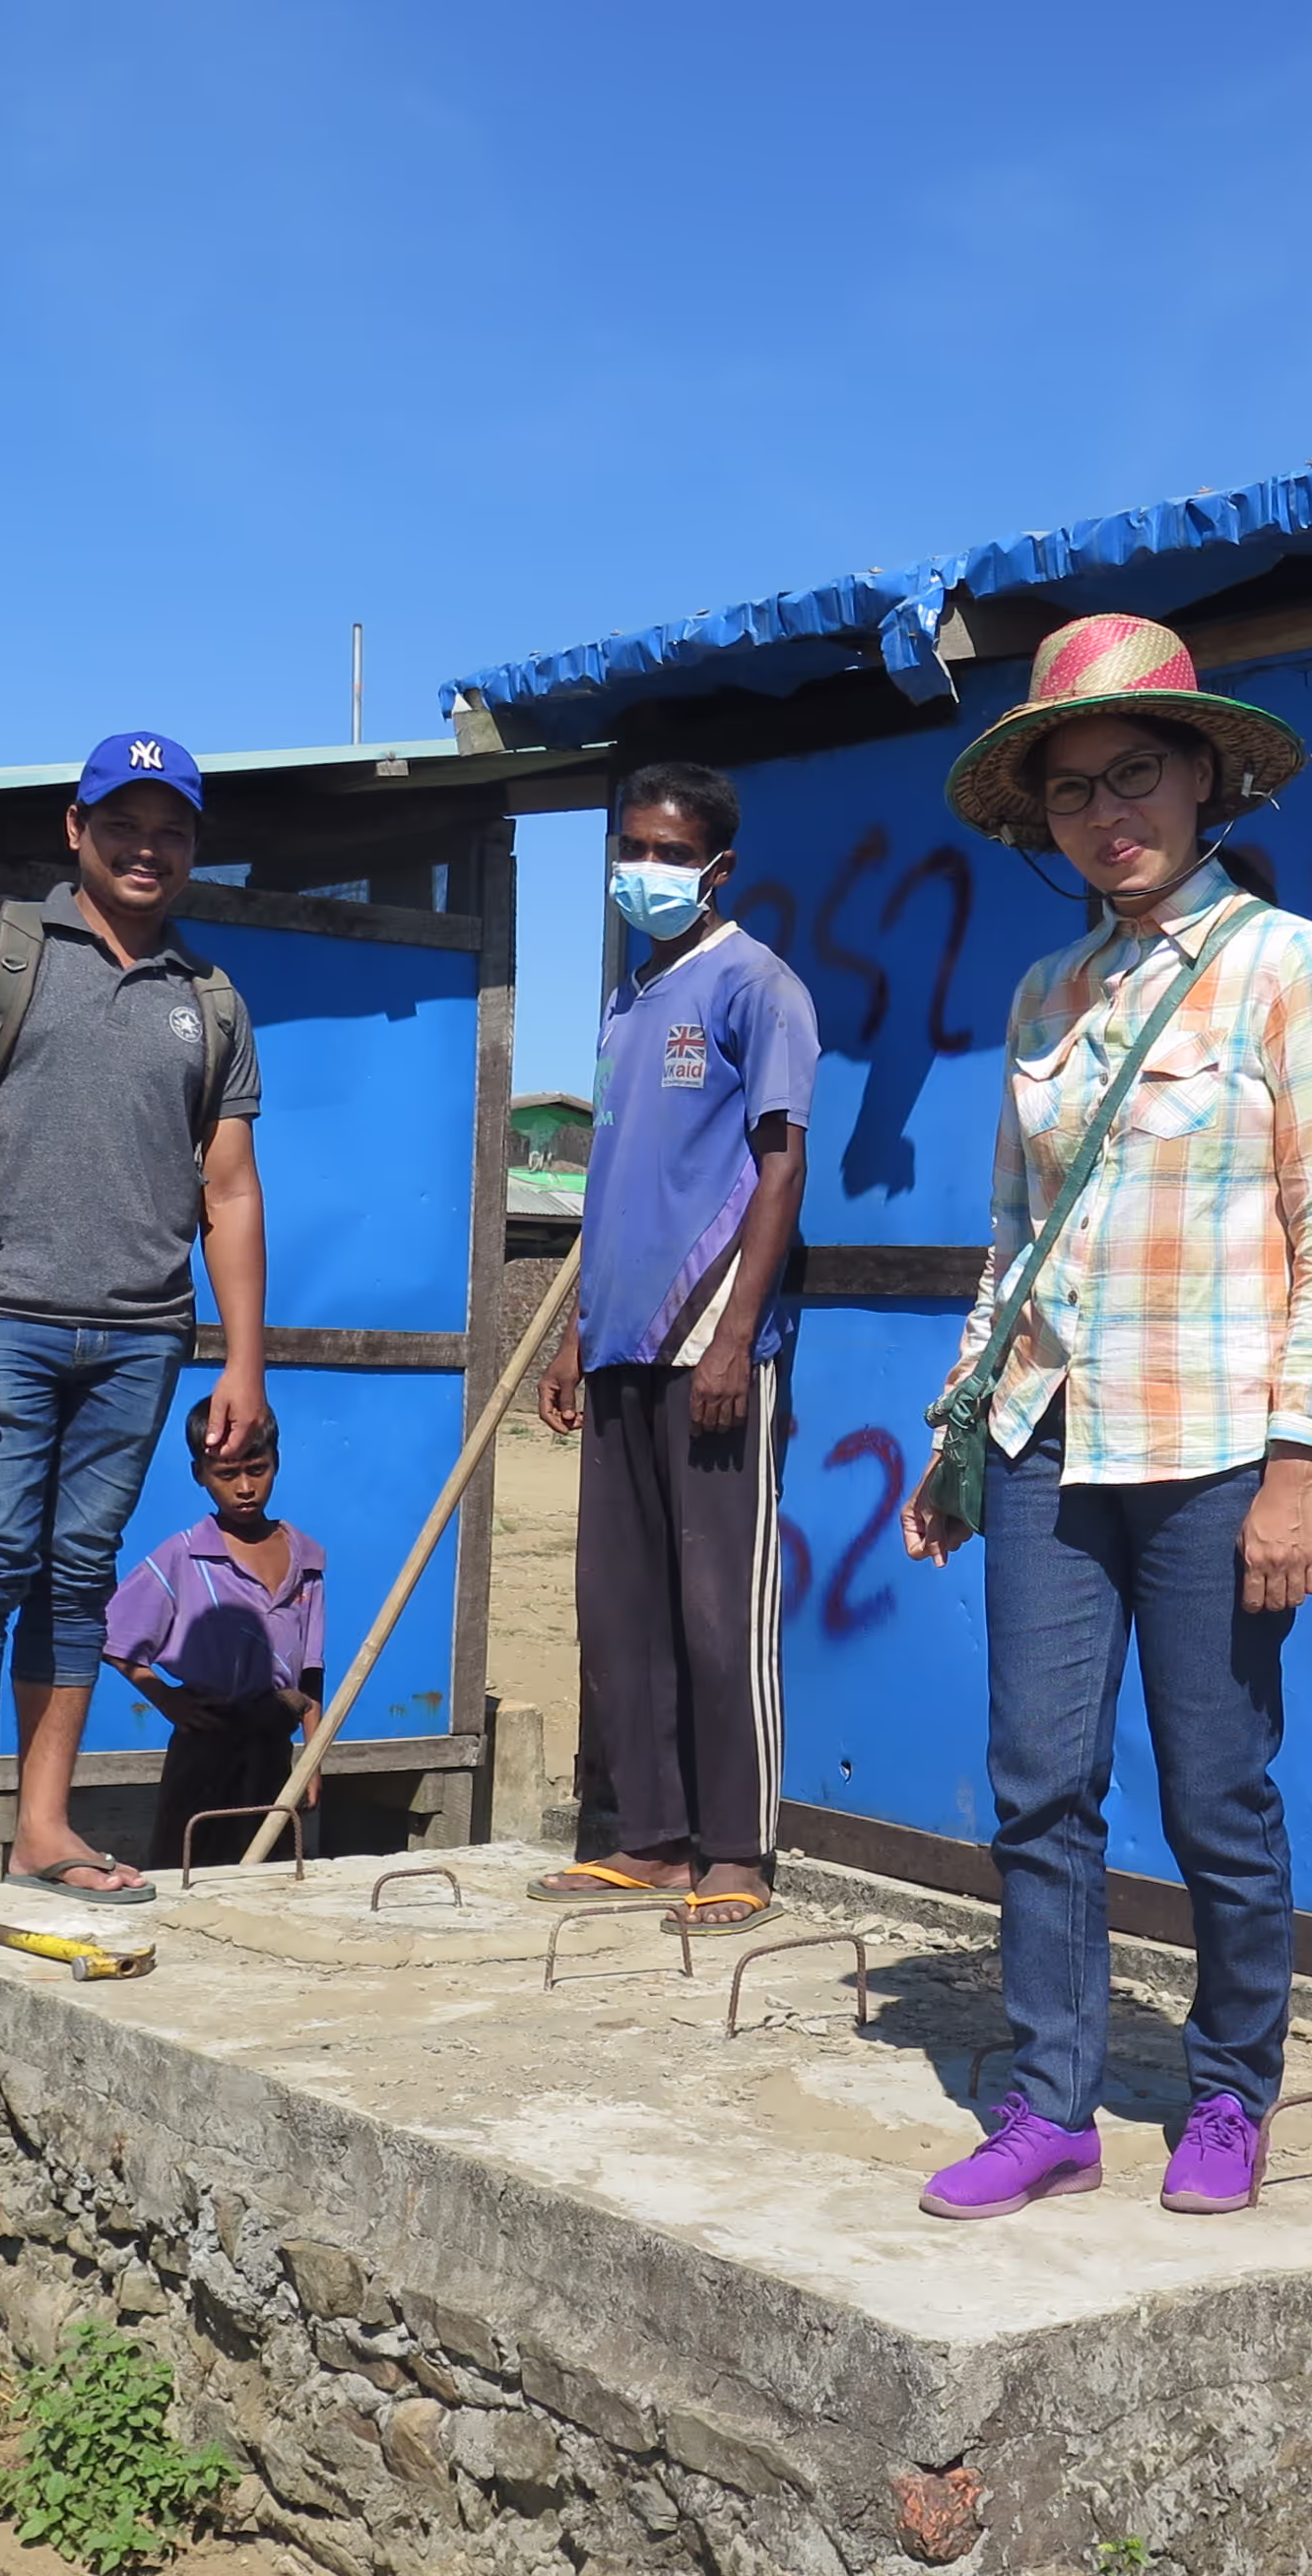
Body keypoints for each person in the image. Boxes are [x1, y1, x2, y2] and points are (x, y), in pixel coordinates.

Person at [897, 615, 1312, 2221]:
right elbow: (1010, 1234)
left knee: (1217, 1794)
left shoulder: (1287, 970)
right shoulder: (1046, 992)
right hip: (1045, 1435)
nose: (1109, 814)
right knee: (1038, 1782)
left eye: (1137, 775)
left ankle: (1234, 2090)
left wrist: (1299, 1465)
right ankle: (1053, 2104)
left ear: (1206, 778)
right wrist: (959, 1427)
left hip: (1213, 1445)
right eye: (1074, 790)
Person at [0, 733, 269, 1924]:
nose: (148, 849)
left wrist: (244, 1357)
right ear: (75, 830)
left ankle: (44, 1828)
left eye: (173, 830)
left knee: (77, 1571)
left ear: (193, 846)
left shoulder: (210, 998)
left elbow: (231, 1189)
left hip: (145, 1338)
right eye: (124, 826)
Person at [531, 762, 820, 1934]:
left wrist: (732, 1336)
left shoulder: (759, 987)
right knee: (620, 1601)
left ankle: (737, 1850)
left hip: (709, 1341)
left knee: (715, 1606)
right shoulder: (623, 1002)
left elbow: (781, 1164)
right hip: (616, 1340)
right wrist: (571, 1334)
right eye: (628, 849)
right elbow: (610, 1185)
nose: (640, 872)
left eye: (665, 852)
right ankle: (647, 1839)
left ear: (715, 868)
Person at [104, 1395, 327, 1872]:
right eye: (227, 1475)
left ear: (276, 1463)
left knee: (275, 1867)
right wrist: (166, 1700)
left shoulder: (306, 1559)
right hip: (206, 1743)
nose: (245, 1488)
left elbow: (311, 1674)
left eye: (258, 1469)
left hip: (273, 1743)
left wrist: (313, 1756)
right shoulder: (184, 1556)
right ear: (199, 1475)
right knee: (190, 1862)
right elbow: (114, 1639)